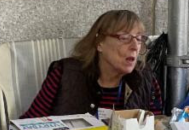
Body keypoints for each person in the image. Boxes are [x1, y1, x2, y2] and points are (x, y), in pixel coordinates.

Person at [21, 10, 162, 121]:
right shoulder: (65, 75)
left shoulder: (146, 78)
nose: (135, 47)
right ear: (99, 43)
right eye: (124, 38)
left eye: (139, 39)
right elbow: (27, 126)